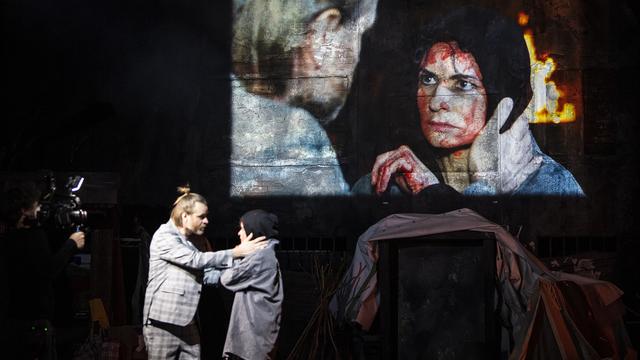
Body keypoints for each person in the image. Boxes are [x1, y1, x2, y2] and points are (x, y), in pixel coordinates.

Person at [354, 6, 584, 197]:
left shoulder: (549, 186)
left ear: (503, 99)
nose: (436, 102)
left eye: (463, 84)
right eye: (428, 79)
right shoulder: (385, 182)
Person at [230, 0, 378, 196]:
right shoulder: (297, 133)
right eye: (360, 33)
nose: (357, 58)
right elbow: (340, 222)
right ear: (322, 35)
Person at [142, 187, 267, 360]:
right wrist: (235, 252)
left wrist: (240, 269)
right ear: (185, 216)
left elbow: (206, 275)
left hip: (187, 320)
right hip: (164, 323)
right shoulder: (164, 236)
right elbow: (196, 260)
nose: (207, 221)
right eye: (201, 217)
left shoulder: (190, 241)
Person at [1, 181, 85, 360]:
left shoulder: (7, 237)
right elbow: (48, 271)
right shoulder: (33, 237)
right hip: (34, 324)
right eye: (36, 205)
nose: (40, 209)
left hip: (10, 324)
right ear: (24, 210)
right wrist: (72, 244)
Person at [220, 209, 283, 360]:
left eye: (242, 229)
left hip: (253, 336)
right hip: (258, 331)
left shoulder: (260, 256)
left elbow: (227, 278)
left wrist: (236, 253)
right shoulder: (266, 253)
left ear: (252, 232)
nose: (239, 233)